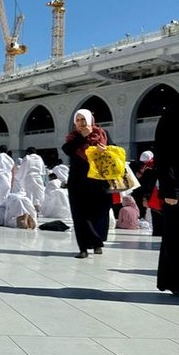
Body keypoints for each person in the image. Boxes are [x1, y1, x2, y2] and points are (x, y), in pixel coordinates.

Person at [62, 108, 111, 258]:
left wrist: (106, 150)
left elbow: (116, 150)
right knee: (80, 215)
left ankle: (97, 242)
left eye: (83, 120)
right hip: (78, 182)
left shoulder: (102, 134)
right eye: (78, 120)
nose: (81, 123)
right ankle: (83, 247)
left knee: (99, 211)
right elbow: (67, 150)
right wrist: (83, 137)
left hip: (98, 181)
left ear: (90, 120)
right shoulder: (73, 137)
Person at [154, 96, 179, 295]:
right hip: (176, 188)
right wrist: (170, 189)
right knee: (174, 237)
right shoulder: (172, 113)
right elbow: (164, 155)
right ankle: (174, 282)